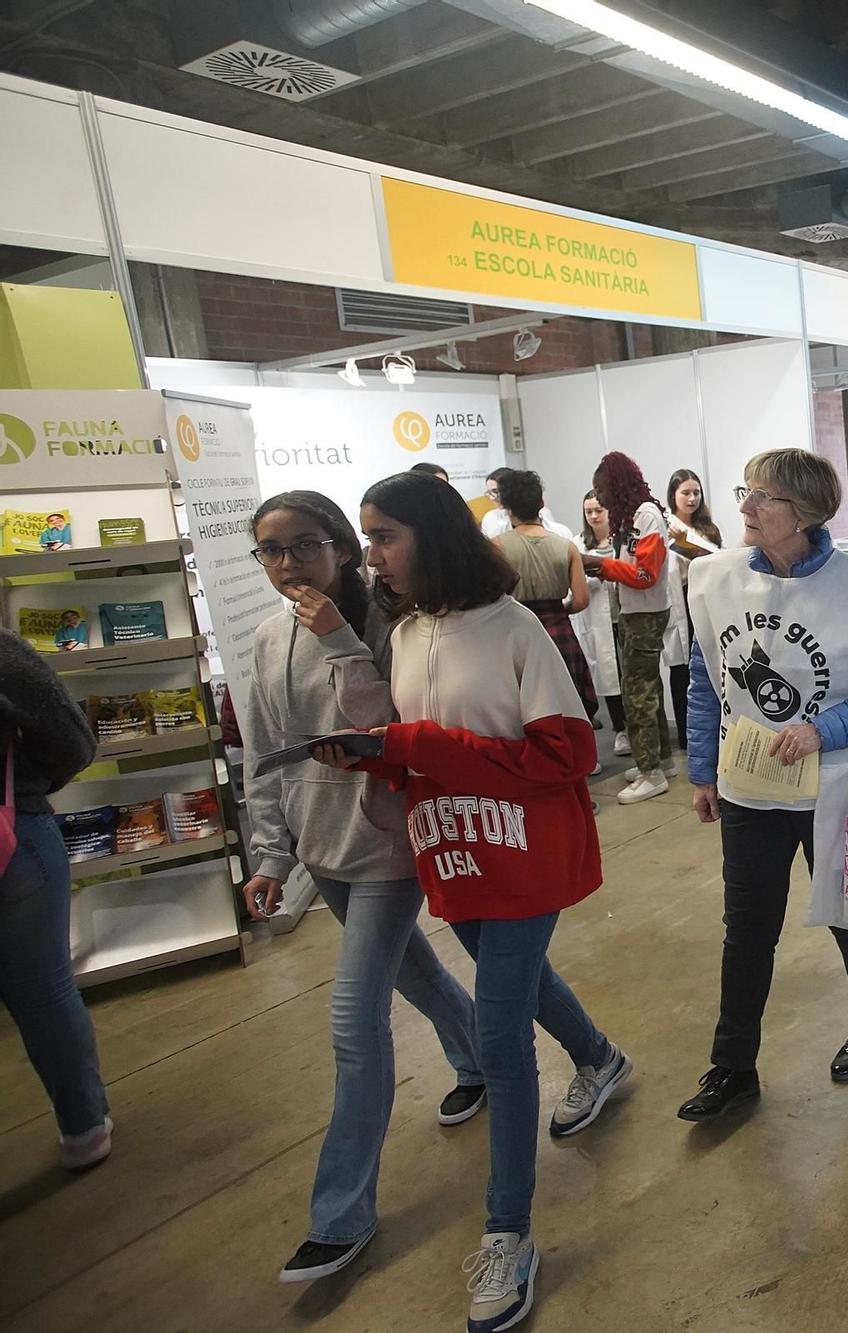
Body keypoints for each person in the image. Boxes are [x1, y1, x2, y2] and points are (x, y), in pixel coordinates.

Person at [337, 471, 631, 1333]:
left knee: (499, 1034)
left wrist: (418, 744)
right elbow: (424, 753)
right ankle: (601, 1056)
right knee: (522, 984)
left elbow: (568, 754)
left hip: (526, 857)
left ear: (430, 535)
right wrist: (377, 756)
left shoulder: (512, 628)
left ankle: (508, 1231)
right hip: (452, 854)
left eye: (384, 535)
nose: (372, 554)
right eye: (367, 537)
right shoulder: (403, 632)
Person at [237, 490, 486, 1285]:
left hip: (386, 844)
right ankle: (481, 1057)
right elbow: (265, 752)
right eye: (270, 551)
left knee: (353, 1021)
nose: (287, 566)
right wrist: (273, 856)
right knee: (415, 973)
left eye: (304, 546)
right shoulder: (268, 638)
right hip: (323, 848)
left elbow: (382, 728)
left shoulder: (387, 625)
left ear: (341, 548)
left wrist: (341, 638)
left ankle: (340, 1213)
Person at [678, 449, 848, 1122]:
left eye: (765, 497)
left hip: (836, 786)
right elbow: (708, 681)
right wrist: (703, 770)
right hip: (750, 791)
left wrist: (823, 728)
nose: (747, 507)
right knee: (747, 930)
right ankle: (732, 1066)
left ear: (806, 513)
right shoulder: (713, 580)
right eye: (746, 491)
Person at [0, 629, 111, 1173]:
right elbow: (72, 739)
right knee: (44, 990)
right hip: (14, 837)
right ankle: (84, 1128)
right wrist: (26, 785)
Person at [581, 452, 675, 805]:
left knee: (638, 695)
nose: (599, 497)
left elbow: (644, 574)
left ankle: (650, 773)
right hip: (637, 614)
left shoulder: (646, 516)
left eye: (601, 488)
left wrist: (601, 567)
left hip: (645, 615)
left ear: (617, 484)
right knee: (648, 689)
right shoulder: (634, 518)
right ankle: (661, 760)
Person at [490, 469, 598, 729]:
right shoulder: (566, 546)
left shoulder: (496, 547)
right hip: (559, 628)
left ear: (505, 506)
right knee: (568, 700)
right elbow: (581, 600)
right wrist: (559, 611)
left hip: (513, 631)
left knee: (528, 706)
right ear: (541, 503)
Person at [662, 469, 722, 756]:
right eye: (685, 492)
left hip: (705, 599)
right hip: (679, 601)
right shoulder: (664, 527)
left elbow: (717, 560)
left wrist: (687, 542)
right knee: (680, 669)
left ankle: (712, 728)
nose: (692, 498)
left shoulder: (708, 527)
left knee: (707, 663)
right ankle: (687, 737)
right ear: (673, 495)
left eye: (696, 492)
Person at [572, 490, 625, 749]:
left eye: (598, 510)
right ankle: (620, 730)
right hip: (596, 619)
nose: (593, 516)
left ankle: (633, 728)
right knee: (607, 672)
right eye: (588, 511)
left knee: (628, 673)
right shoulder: (578, 544)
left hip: (623, 615)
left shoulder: (622, 541)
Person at [480, 467, 574, 542]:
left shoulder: (559, 531)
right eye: (489, 493)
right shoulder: (491, 519)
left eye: (496, 491)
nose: (493, 497)